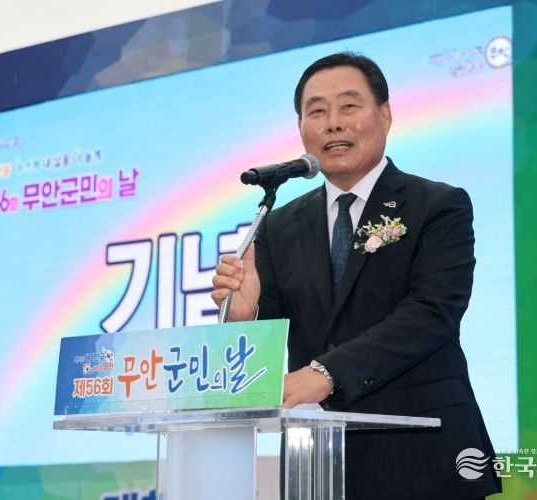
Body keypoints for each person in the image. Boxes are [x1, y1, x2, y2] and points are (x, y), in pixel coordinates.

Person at [211, 52, 502, 500]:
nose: (333, 124)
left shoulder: (437, 205)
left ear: (385, 115)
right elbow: (269, 338)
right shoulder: (278, 224)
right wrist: (245, 315)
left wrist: (326, 374)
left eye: (348, 106)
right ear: (301, 129)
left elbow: (432, 314)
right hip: (318, 460)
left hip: (422, 450)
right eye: (317, 112)